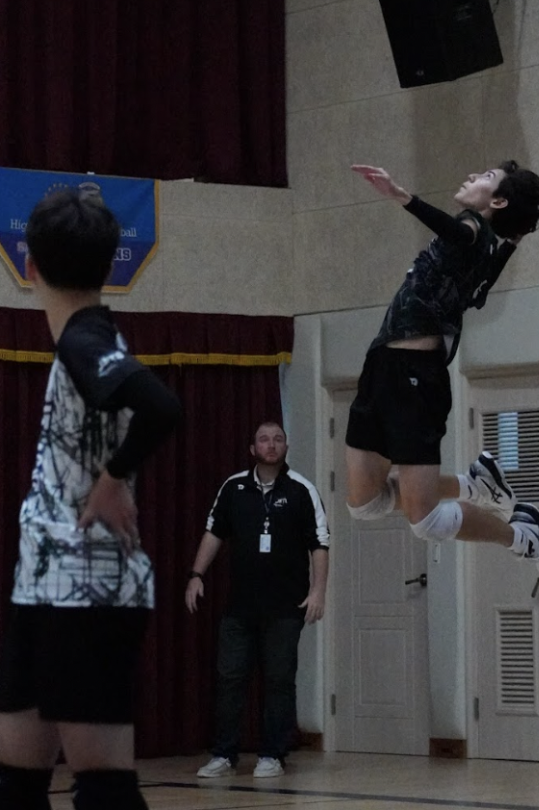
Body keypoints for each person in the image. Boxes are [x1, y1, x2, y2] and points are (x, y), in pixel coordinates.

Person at [0, 189, 183, 810]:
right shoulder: (84, 337)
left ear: (28, 265)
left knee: (102, 787)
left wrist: (112, 477)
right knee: (16, 779)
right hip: (42, 586)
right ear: (111, 268)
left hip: (88, 590)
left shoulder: (85, 340)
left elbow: (161, 405)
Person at [345, 163, 539, 582]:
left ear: (496, 202)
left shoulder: (474, 230)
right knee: (364, 504)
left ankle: (524, 538)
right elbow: (481, 286)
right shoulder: (483, 250)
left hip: (416, 379)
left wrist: (401, 195)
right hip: (382, 367)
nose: (471, 177)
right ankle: (475, 486)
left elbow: (456, 232)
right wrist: (512, 243)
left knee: (424, 521)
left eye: (484, 178)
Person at [187, 421, 329, 781]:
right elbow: (213, 533)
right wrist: (196, 575)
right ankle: (223, 753)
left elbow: (320, 544)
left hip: (285, 607)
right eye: (264, 440)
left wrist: (318, 591)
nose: (271, 445)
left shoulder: (302, 490)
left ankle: (272, 753)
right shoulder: (233, 488)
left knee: (280, 679)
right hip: (240, 606)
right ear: (252, 448)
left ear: (286, 447)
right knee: (229, 677)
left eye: (278, 439)